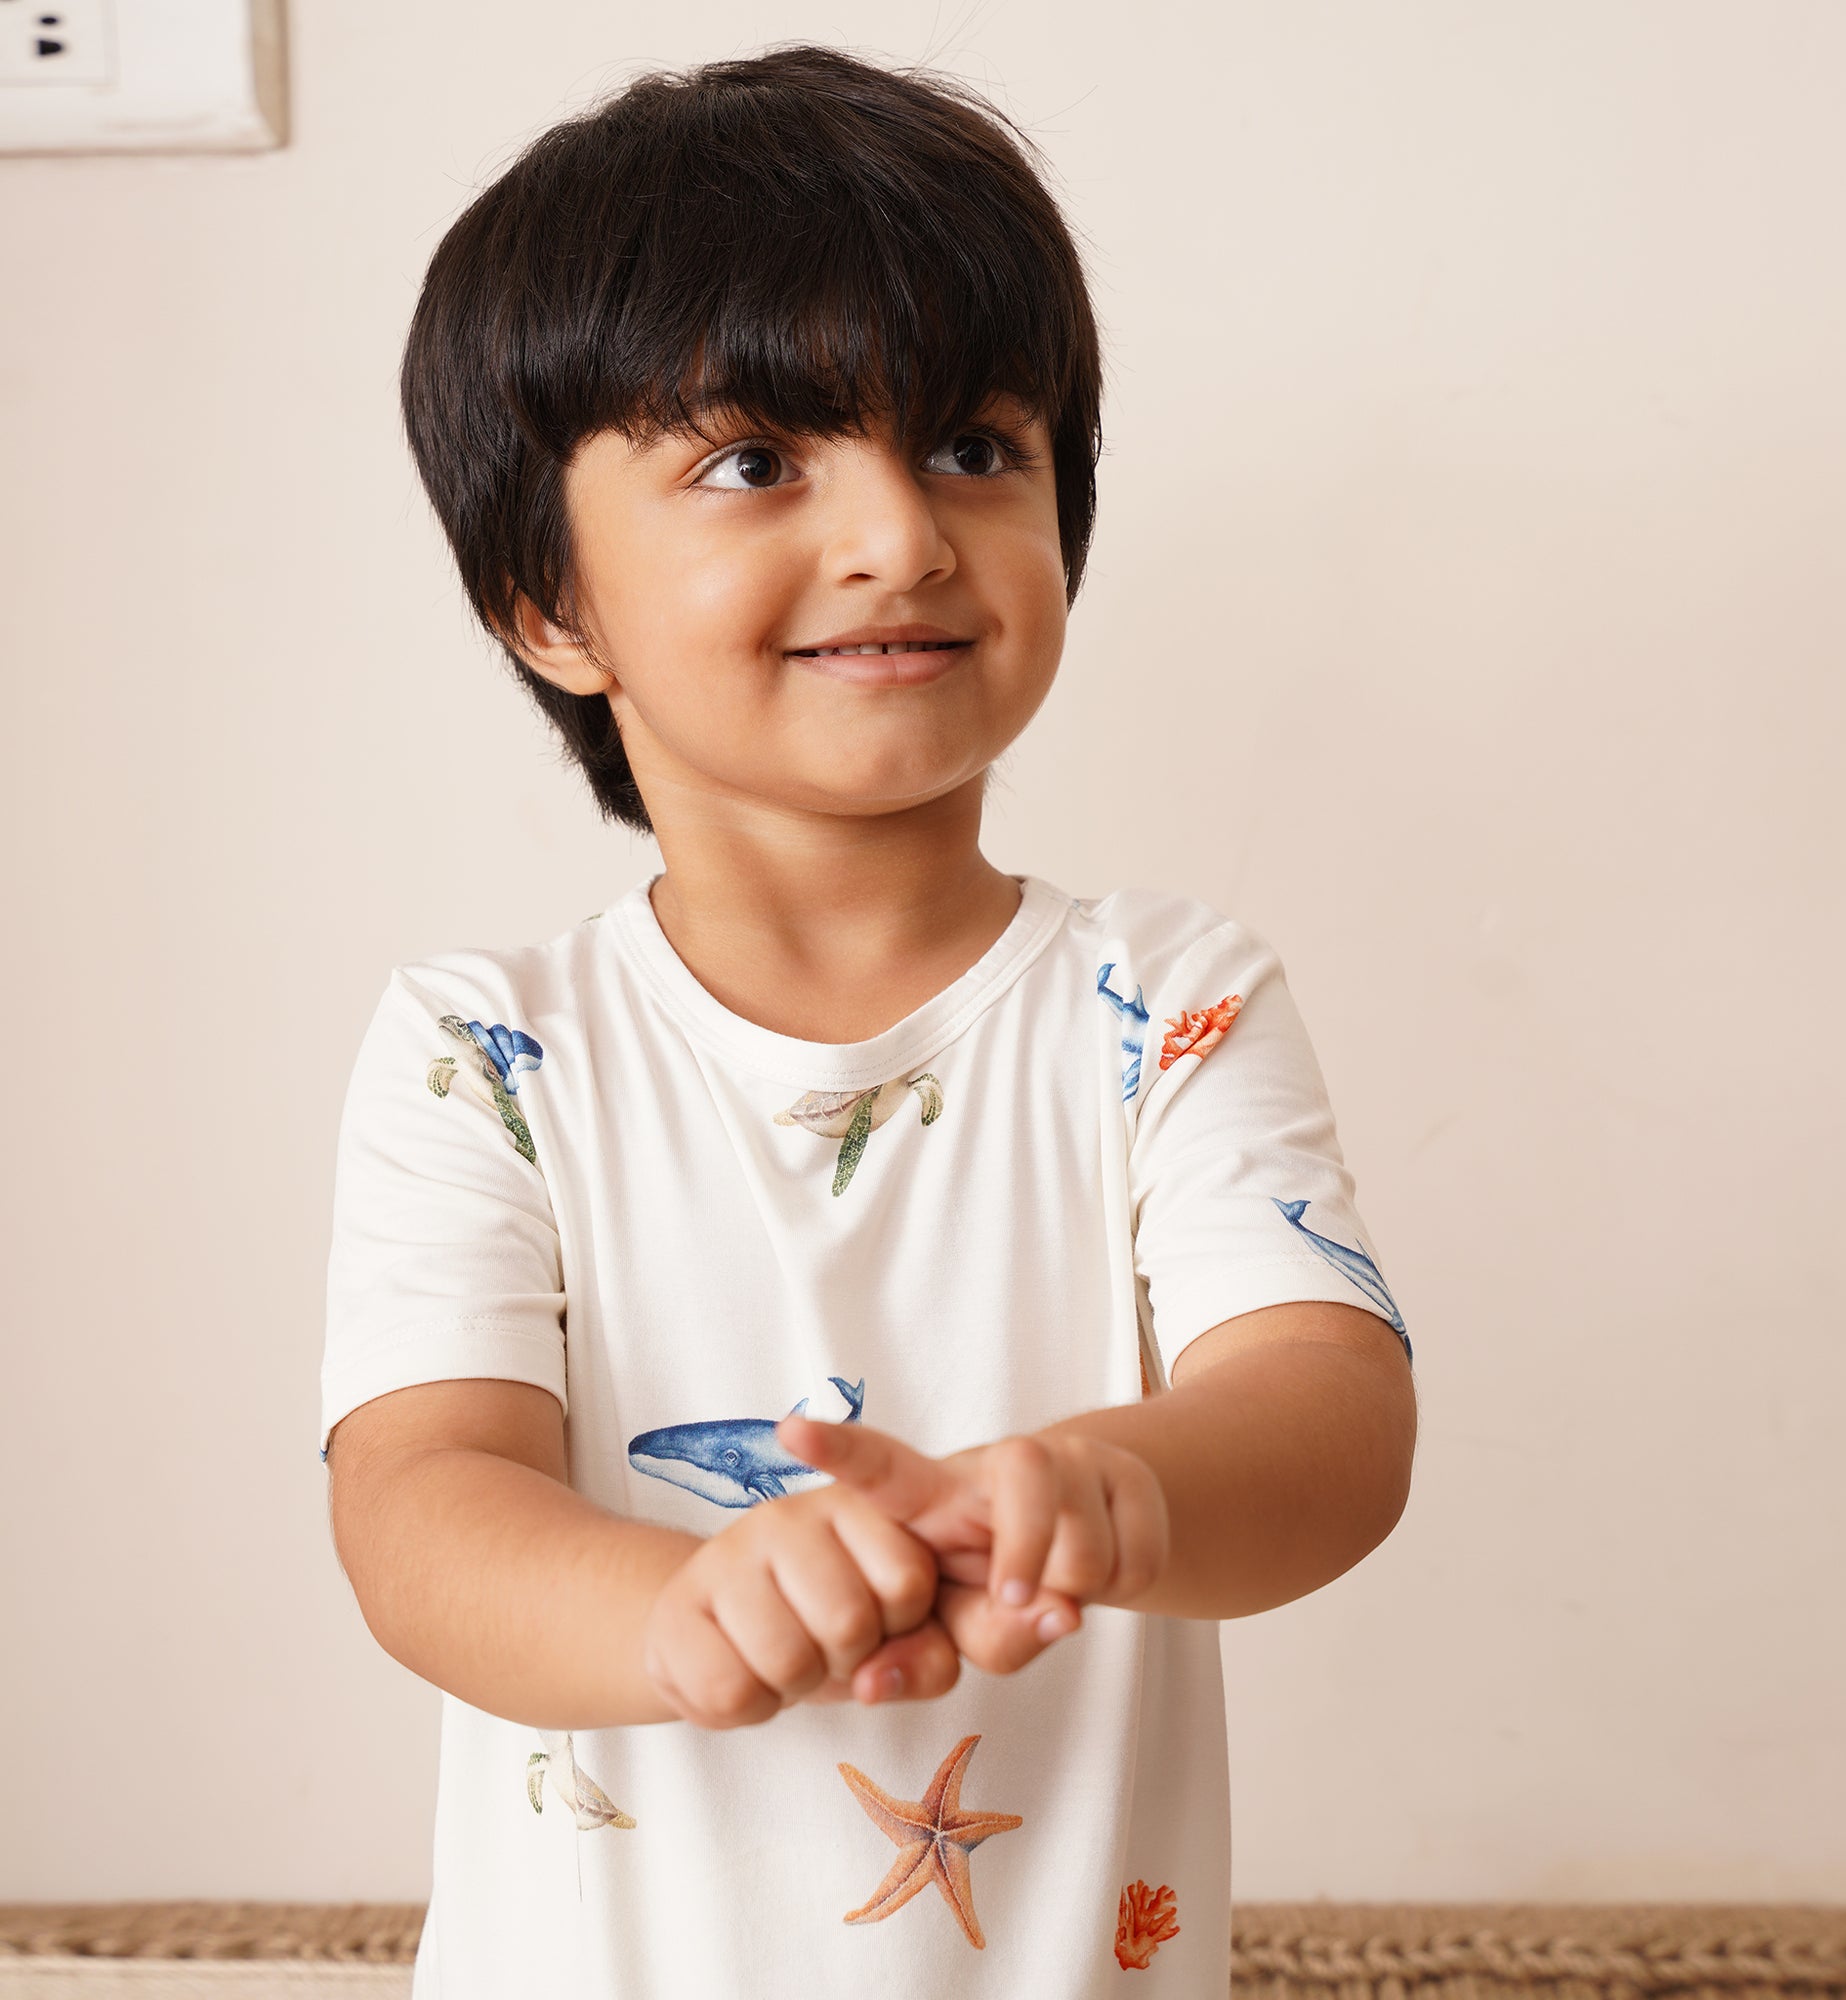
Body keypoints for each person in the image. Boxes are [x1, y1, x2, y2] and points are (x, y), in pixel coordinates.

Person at [320, 42, 1419, 1999]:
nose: (901, 536)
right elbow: (419, 1513)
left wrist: (1119, 1486)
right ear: (548, 603)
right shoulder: (480, 1051)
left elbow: (1331, 1421)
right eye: (757, 460)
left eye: (975, 447)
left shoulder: (1170, 1002)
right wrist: (689, 1609)